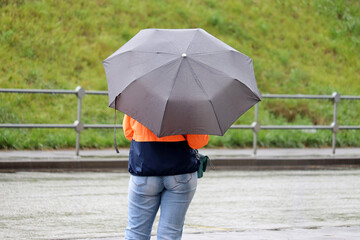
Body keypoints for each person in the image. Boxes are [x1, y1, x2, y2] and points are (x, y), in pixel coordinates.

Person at [122, 114, 209, 240]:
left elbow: (129, 133)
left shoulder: (137, 98)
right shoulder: (188, 101)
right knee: (170, 234)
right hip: (180, 172)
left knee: (136, 233)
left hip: (144, 170)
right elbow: (197, 142)